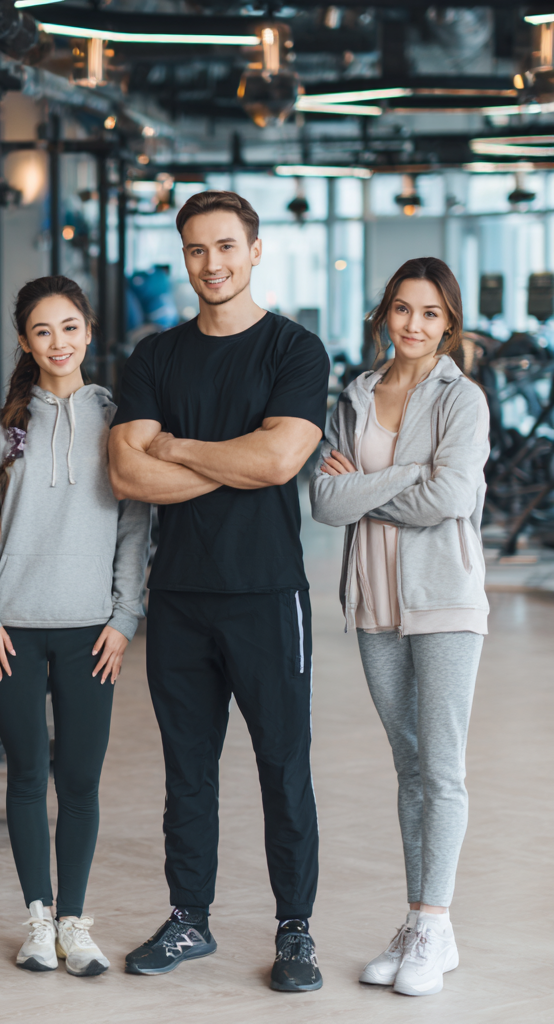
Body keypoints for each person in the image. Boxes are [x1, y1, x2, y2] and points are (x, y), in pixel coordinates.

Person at [107, 190, 329, 991]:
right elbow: (128, 469)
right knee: (187, 771)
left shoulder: (296, 351)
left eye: (227, 247)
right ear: (185, 256)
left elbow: (277, 465)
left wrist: (181, 448)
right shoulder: (156, 357)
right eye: (197, 250)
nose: (213, 264)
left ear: (255, 250)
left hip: (269, 595)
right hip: (181, 600)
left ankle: (295, 930)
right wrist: (230, 459)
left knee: (284, 766)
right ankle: (188, 919)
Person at [310, 258, 489, 997]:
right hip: (375, 603)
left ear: (449, 323)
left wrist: (365, 490)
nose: (414, 325)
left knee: (442, 770)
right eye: (402, 310)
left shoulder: (462, 399)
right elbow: (323, 499)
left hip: (444, 598)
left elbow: (450, 495)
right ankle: (418, 920)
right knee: (409, 762)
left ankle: (436, 922)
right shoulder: (353, 397)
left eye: (430, 313)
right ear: (385, 313)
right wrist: (398, 481)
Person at [0, 276, 151, 976]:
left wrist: (125, 616)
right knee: (25, 775)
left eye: (70, 327)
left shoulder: (117, 421)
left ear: (90, 332)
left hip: (90, 633)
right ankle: (36, 920)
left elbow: (136, 526)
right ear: (24, 341)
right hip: (10, 630)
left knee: (79, 781)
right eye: (43, 331)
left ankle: (74, 921)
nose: (58, 342)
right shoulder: (0, 427)